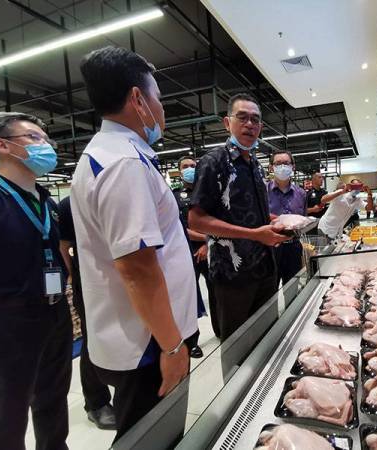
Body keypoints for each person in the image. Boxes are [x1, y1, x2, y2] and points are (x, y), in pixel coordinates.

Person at [71, 46, 197, 441]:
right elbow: (138, 269)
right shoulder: (122, 163)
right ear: (138, 99)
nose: (161, 109)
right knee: (151, 437)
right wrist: (173, 348)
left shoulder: (114, 155)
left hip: (147, 336)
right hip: (147, 343)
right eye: (158, 97)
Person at [0, 112, 72, 450]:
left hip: (54, 311)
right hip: (8, 319)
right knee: (9, 408)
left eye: (46, 139)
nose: (46, 146)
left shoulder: (47, 201)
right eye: (34, 139)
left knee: (53, 398)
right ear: (3, 145)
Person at [188, 93, 290, 341]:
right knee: (236, 347)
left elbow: (248, 213)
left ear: (261, 127)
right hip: (233, 275)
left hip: (265, 269)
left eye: (255, 120)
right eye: (242, 117)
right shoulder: (213, 162)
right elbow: (196, 220)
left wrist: (275, 220)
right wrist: (254, 234)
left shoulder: (255, 164)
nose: (249, 124)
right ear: (227, 123)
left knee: (266, 339)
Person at [58, 195, 117, 429]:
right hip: (90, 277)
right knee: (93, 334)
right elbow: (65, 246)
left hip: (124, 271)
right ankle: (96, 402)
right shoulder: (69, 204)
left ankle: (126, 386)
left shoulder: (118, 193)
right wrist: (74, 274)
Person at [173, 155, 216, 345]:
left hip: (212, 249)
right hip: (185, 252)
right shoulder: (174, 196)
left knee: (216, 291)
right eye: (185, 166)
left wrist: (207, 244)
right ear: (179, 171)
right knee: (188, 296)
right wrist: (206, 238)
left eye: (193, 165)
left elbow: (216, 222)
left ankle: (220, 330)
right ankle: (192, 341)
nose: (190, 169)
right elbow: (177, 228)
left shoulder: (209, 192)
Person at [267, 149, 306, 285]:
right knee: (269, 292)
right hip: (270, 248)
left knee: (293, 288)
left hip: (294, 247)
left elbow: (303, 219)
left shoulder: (301, 194)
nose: (282, 167)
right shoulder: (262, 192)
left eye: (286, 163)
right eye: (278, 163)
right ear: (271, 167)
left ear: (293, 167)